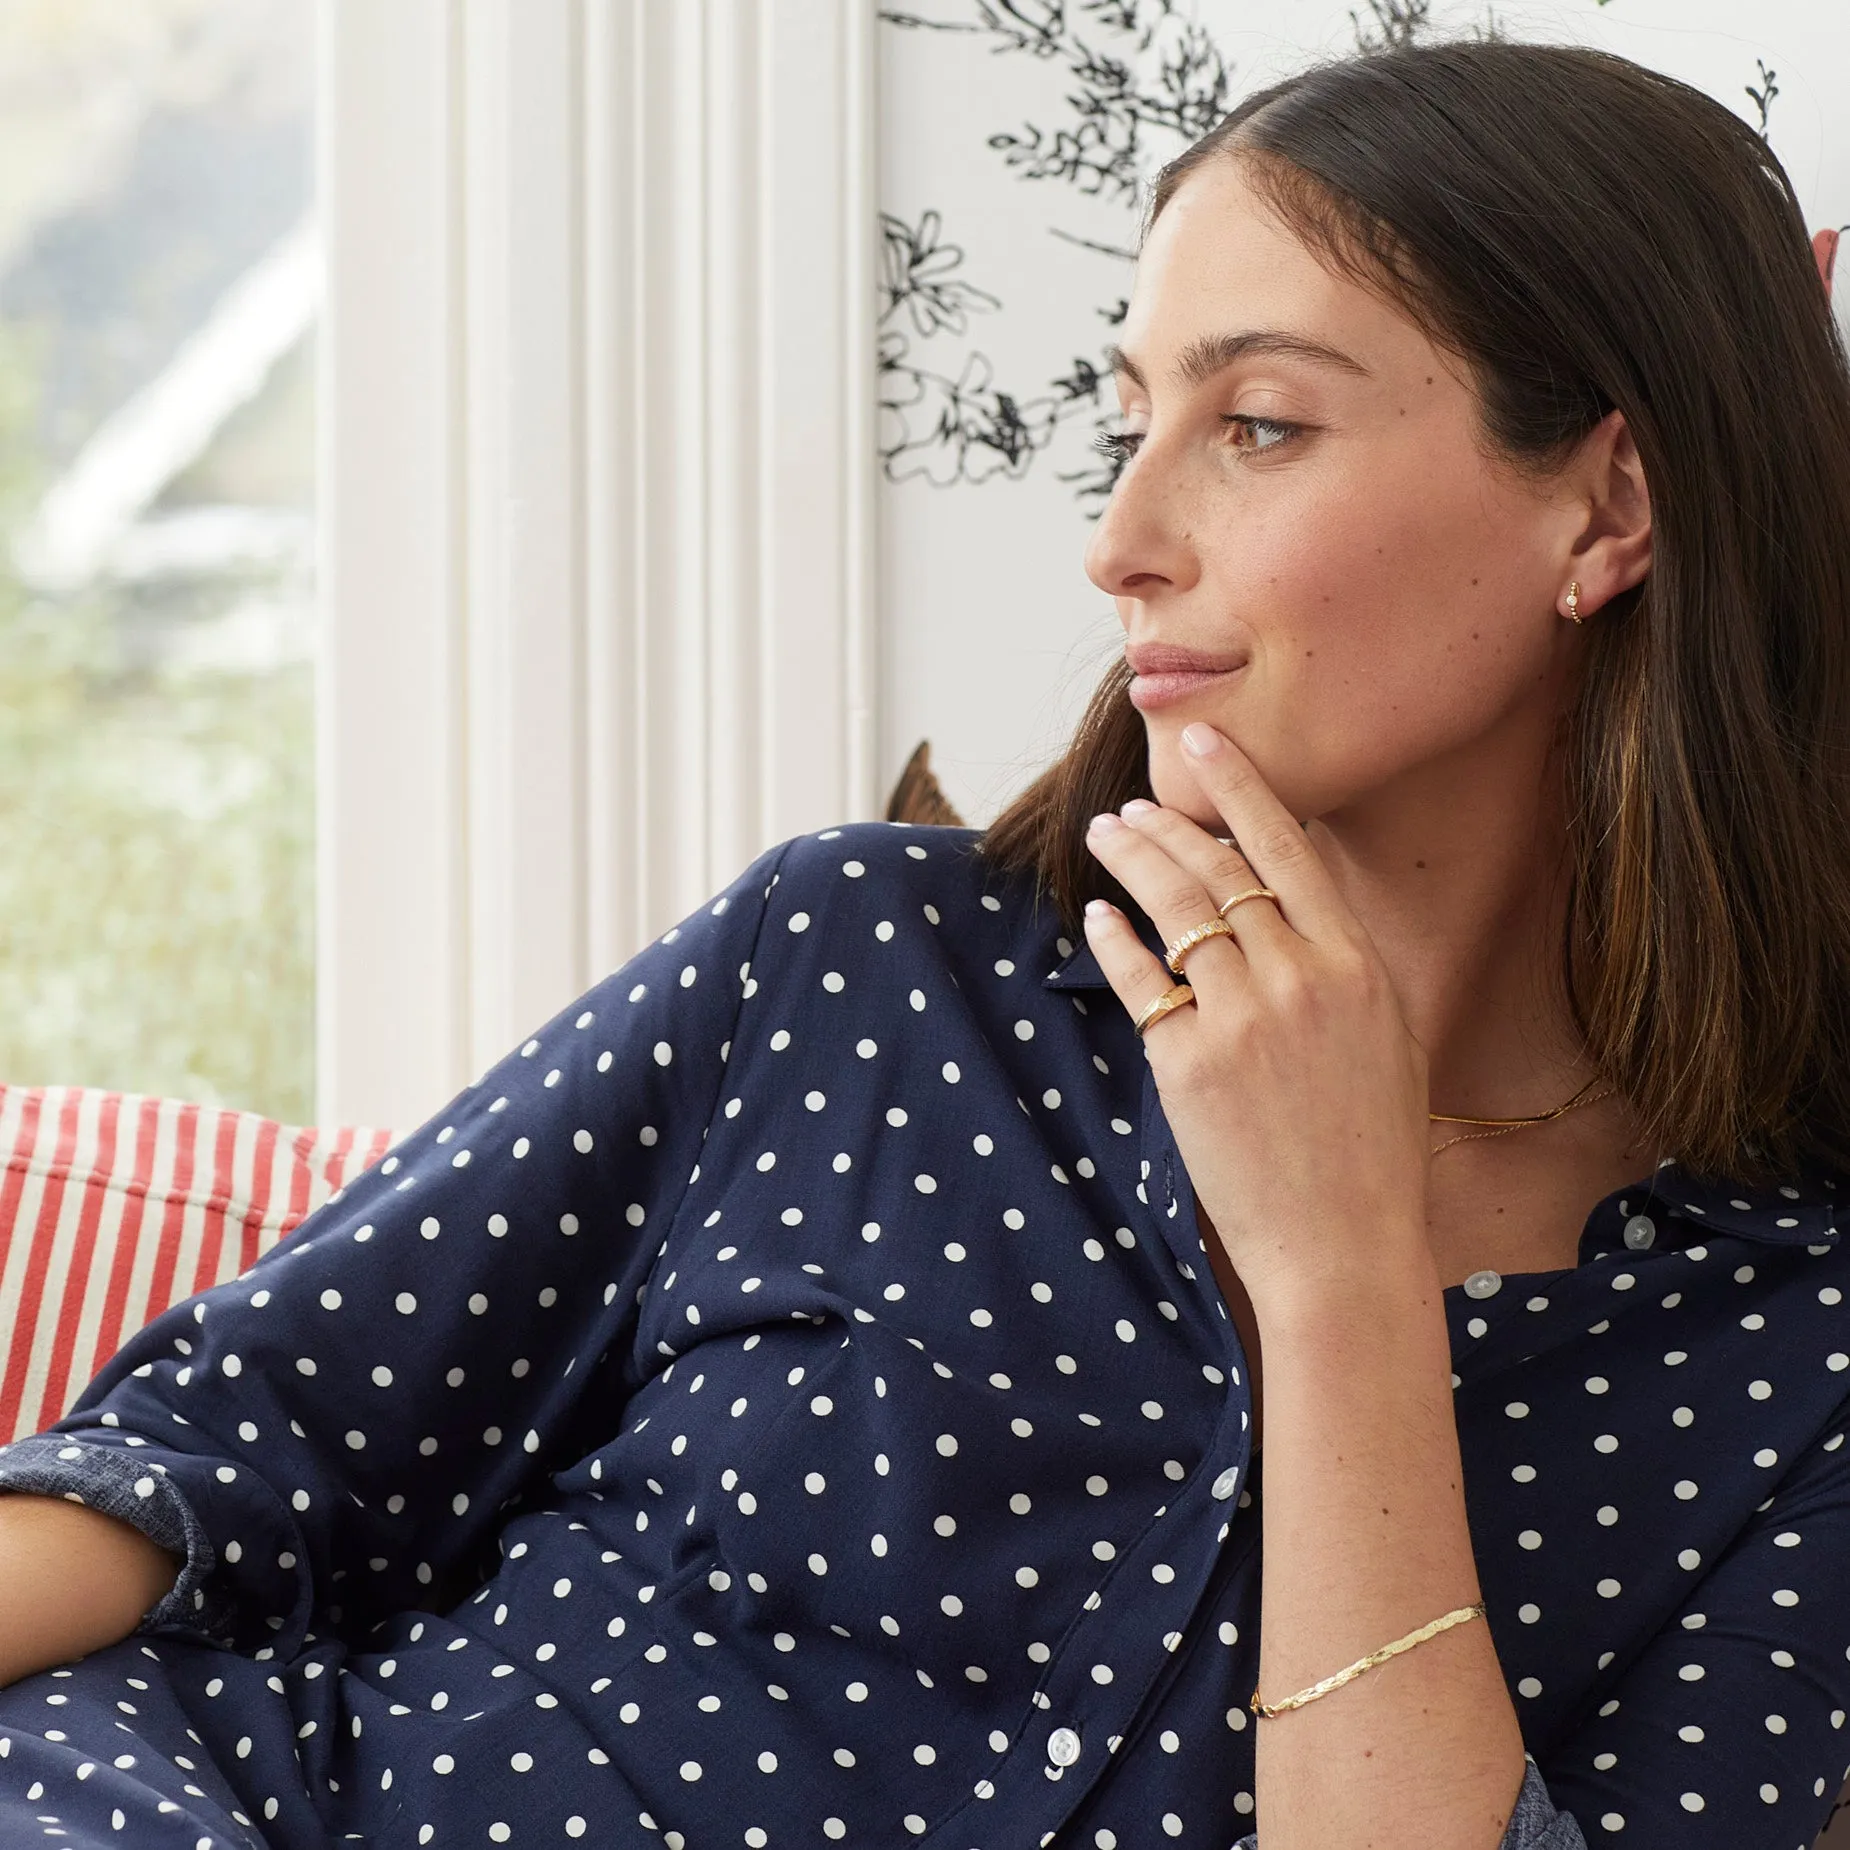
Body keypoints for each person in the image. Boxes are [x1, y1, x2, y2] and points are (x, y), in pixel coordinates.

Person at [3, 35, 1850, 1850]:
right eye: (1129, 425)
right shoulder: (865, 957)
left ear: (1607, 503)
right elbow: (229, 1444)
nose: (1119, 540)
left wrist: (1340, 1270)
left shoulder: (1796, 1338)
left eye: (1259, 425)